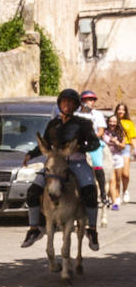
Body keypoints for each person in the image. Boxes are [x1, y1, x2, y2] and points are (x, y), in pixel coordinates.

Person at [20, 88, 101, 251]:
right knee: (32, 191)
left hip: (76, 163)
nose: (67, 104)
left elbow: (95, 143)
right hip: (55, 163)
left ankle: (92, 230)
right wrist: (31, 154)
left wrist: (81, 148)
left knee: (91, 192)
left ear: (76, 105)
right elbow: (45, 144)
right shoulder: (53, 124)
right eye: (64, 101)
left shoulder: (83, 124)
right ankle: (34, 229)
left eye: (71, 102)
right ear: (59, 104)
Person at [79, 91, 108, 207]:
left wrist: (92, 137)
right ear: (82, 101)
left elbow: (101, 130)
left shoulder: (97, 114)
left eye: (92, 100)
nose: (91, 102)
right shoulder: (77, 114)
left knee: (97, 165)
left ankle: (103, 194)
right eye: (88, 99)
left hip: (93, 143)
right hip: (80, 143)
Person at [103, 113, 127, 210]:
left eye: (114, 122)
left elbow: (123, 146)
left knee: (118, 180)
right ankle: (114, 201)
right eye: (110, 121)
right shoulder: (104, 132)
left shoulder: (121, 133)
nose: (112, 123)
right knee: (111, 180)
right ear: (108, 122)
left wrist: (116, 142)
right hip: (107, 158)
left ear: (117, 123)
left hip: (118, 157)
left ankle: (116, 196)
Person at [117, 102, 136, 203]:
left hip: (126, 148)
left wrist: (135, 148)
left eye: (123, 109)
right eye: (119, 109)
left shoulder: (129, 123)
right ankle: (116, 194)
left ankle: (125, 191)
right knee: (117, 174)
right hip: (115, 148)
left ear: (125, 111)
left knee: (125, 174)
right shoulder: (113, 121)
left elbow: (132, 138)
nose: (121, 111)